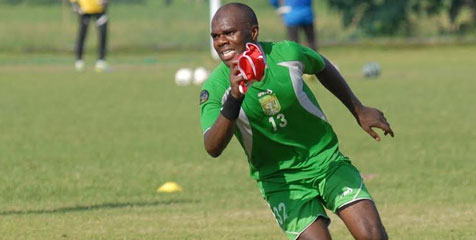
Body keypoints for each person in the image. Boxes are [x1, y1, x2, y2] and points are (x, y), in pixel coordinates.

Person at [200, 2, 394, 240]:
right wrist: (234, 97)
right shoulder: (215, 87)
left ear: (253, 33)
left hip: (325, 160)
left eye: (229, 33)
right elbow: (212, 147)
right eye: (215, 36)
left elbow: (322, 65)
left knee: (372, 236)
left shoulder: (287, 54)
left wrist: (359, 110)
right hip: (281, 182)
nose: (221, 41)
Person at [70, 0, 109, 72]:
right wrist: (76, 5)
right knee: (82, 35)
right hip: (85, 10)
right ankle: (79, 61)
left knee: (103, 34)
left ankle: (101, 61)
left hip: (99, 10)